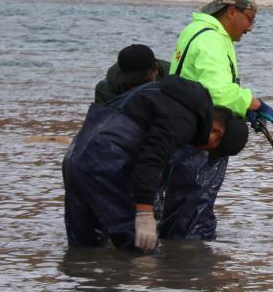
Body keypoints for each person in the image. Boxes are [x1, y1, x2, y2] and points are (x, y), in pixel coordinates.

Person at [62, 75, 247, 252]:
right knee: (142, 246)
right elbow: (150, 160)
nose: (202, 151)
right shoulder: (185, 121)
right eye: (211, 150)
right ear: (216, 131)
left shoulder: (169, 93)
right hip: (103, 161)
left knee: (84, 248)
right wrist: (144, 214)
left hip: (76, 154)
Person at [164, 0, 273, 240]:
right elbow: (217, 91)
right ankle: (187, 258)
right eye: (249, 19)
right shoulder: (211, 40)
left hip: (182, 128)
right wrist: (255, 104)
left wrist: (242, 109)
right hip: (197, 137)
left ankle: (180, 253)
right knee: (192, 213)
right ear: (231, 11)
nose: (250, 28)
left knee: (180, 207)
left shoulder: (198, 30)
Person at [94, 44, 170, 104]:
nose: (139, 89)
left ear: (155, 69)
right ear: (122, 76)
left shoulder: (172, 76)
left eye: (145, 83)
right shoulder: (107, 89)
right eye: (133, 84)